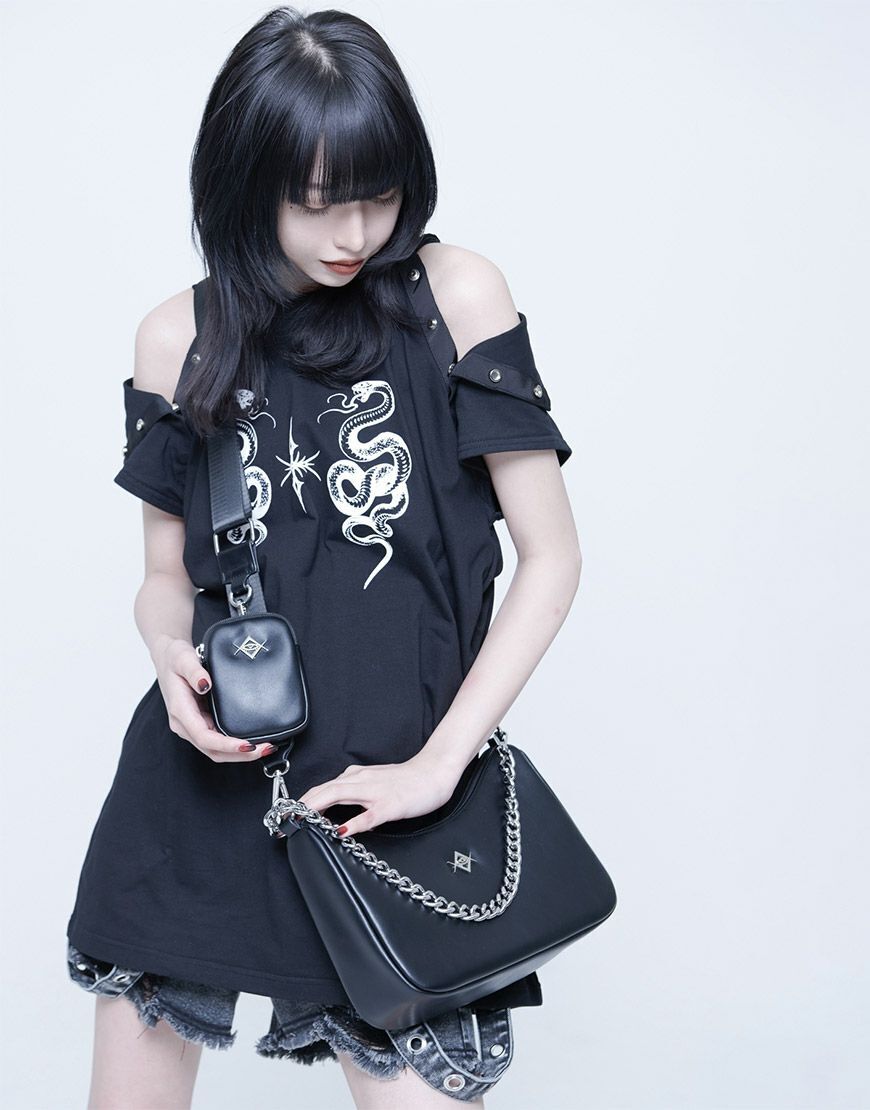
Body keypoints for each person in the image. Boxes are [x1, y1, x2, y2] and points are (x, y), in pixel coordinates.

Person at [66, 6, 581, 1107]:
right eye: (314, 201)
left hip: (393, 805)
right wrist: (169, 662)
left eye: (378, 195)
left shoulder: (456, 297)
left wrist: (439, 766)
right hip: (202, 796)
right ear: (244, 183)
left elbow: (552, 559)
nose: (353, 231)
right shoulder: (177, 336)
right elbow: (165, 576)